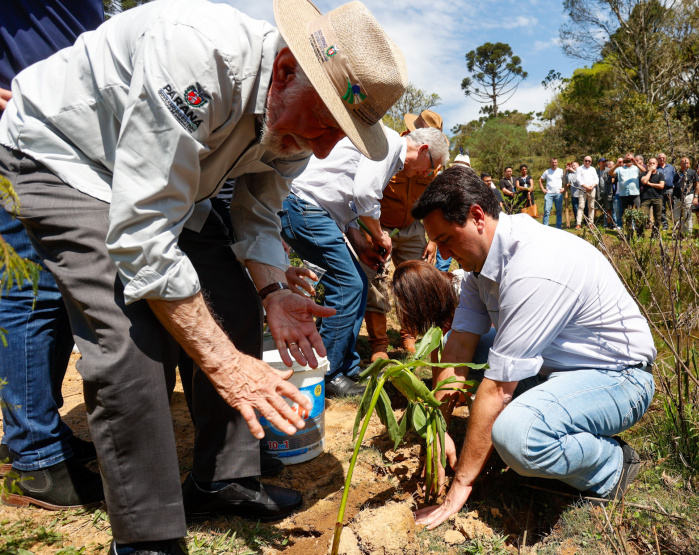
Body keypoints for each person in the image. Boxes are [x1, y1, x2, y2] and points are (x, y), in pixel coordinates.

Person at [0, 1, 407, 552]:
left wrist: (272, 291)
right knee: (129, 338)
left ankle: (222, 478)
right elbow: (141, 235)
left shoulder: (299, 122)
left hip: (167, 182)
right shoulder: (195, 55)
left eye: (345, 134)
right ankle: (150, 538)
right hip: (67, 156)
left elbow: (258, 213)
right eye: (329, 124)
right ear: (285, 71)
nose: (326, 147)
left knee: (232, 303)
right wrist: (224, 366)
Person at [410, 166, 656, 529]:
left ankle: (612, 465)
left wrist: (460, 486)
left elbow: (497, 390)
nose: (442, 253)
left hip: (619, 378)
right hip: (556, 367)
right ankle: (541, 424)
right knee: (459, 347)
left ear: (477, 216)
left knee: (517, 436)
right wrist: (438, 428)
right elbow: (461, 341)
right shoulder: (482, 261)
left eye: (446, 239)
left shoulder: (534, 266)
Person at [0, 0, 105, 509]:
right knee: (31, 296)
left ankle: (39, 430)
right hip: (20, 143)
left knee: (57, 291)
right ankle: (35, 459)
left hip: (61, 149)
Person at [281, 126, 448, 396]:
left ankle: (347, 365)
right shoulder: (388, 144)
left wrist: (362, 245)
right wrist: (379, 235)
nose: (426, 175)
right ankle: (329, 373)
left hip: (323, 214)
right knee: (347, 285)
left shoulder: (389, 152)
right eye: (430, 168)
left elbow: (346, 205)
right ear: (424, 150)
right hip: (305, 207)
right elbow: (363, 195)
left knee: (356, 283)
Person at [363, 110, 444, 362]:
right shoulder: (386, 150)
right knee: (375, 280)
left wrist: (432, 239)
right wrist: (373, 231)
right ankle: (378, 343)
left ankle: (409, 335)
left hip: (412, 227)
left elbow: (434, 203)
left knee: (414, 280)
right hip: (379, 226)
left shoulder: (434, 163)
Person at [608, 153, 645, 238]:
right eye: (627, 159)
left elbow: (644, 171)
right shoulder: (620, 169)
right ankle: (629, 234)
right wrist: (617, 165)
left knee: (637, 214)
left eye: (630, 159)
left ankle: (640, 234)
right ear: (624, 159)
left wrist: (636, 163)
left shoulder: (636, 168)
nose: (629, 160)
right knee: (627, 215)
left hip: (635, 194)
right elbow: (610, 173)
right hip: (624, 195)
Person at [672, 156, 699, 236]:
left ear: (689, 164)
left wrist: (696, 197)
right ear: (680, 164)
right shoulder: (677, 173)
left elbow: (697, 185)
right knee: (676, 217)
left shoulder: (693, 173)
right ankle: (685, 231)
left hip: (688, 196)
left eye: (687, 163)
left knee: (688, 215)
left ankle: (689, 234)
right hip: (677, 197)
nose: (685, 164)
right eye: (683, 163)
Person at [639, 157, 665, 237]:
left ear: (657, 164)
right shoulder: (643, 174)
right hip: (645, 198)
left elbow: (661, 186)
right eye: (650, 163)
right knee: (643, 216)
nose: (652, 165)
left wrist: (650, 184)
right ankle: (640, 234)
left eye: (653, 163)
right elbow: (644, 181)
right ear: (647, 165)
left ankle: (655, 234)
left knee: (658, 217)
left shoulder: (660, 175)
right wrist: (650, 171)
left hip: (657, 197)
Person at [539, 158, 565, 228]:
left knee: (559, 210)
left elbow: (566, 181)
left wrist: (564, 188)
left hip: (558, 193)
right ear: (550, 163)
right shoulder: (547, 172)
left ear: (557, 163)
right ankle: (545, 226)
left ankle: (558, 226)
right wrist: (543, 189)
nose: (554, 164)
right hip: (549, 194)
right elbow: (540, 180)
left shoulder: (561, 171)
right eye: (553, 162)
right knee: (547, 210)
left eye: (555, 162)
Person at [575, 156, 600, 229]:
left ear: (591, 162)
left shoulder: (592, 169)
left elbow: (596, 179)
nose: (587, 162)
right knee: (581, 206)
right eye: (586, 161)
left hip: (592, 189)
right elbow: (578, 180)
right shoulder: (579, 169)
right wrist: (586, 187)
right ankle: (578, 223)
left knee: (591, 206)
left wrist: (592, 187)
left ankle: (591, 223)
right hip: (583, 190)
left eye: (589, 161)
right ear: (583, 160)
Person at [656, 153, 676, 230]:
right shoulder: (656, 168)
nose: (662, 159)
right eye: (660, 158)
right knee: (662, 208)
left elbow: (675, 177)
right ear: (658, 159)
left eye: (663, 158)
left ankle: (675, 224)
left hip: (670, 189)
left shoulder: (670, 167)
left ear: (666, 158)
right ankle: (665, 225)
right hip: (660, 191)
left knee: (673, 207)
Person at [565, 161, 580, 228]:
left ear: (578, 165)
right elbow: (566, 180)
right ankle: (578, 223)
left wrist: (573, 171)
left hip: (582, 194)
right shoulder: (570, 174)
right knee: (575, 209)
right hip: (574, 194)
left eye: (574, 165)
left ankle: (586, 222)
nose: (573, 166)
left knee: (584, 209)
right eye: (572, 165)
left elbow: (579, 178)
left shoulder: (580, 171)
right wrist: (566, 171)